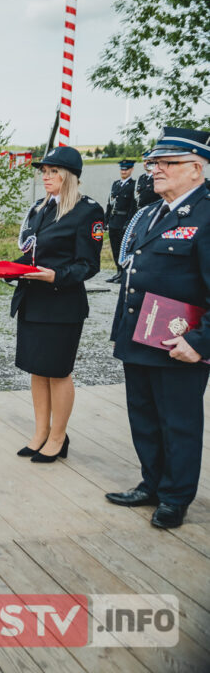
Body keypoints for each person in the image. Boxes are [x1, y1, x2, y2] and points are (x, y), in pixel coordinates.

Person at [106, 127, 210, 529]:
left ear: (196, 169)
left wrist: (200, 342)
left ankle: (175, 497)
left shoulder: (206, 215)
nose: (156, 170)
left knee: (178, 424)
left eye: (168, 163)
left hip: (181, 343)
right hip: (141, 337)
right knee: (144, 418)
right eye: (154, 163)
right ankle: (152, 483)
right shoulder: (150, 212)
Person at [10, 146, 104, 463]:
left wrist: (56, 276)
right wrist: (6, 269)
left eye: (53, 172)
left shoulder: (87, 211)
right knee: (38, 370)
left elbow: (89, 264)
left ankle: (58, 437)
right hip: (33, 300)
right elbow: (32, 254)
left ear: (69, 175)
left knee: (58, 372)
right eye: (44, 171)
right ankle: (40, 433)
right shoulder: (41, 207)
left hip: (62, 304)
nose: (46, 177)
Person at [105, 159, 136, 282]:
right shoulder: (116, 184)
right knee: (115, 248)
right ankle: (118, 272)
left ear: (131, 169)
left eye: (126, 169)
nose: (123, 171)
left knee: (124, 249)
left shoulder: (133, 185)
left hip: (123, 221)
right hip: (114, 221)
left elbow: (133, 206)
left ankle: (124, 273)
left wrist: (128, 222)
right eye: (122, 169)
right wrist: (106, 220)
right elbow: (109, 204)